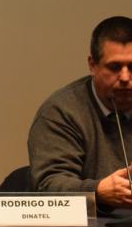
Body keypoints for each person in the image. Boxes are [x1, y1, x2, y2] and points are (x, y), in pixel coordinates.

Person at [28, 15, 132, 209]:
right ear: (93, 65)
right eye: (115, 67)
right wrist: (97, 191)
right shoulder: (61, 111)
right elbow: (47, 184)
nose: (125, 77)